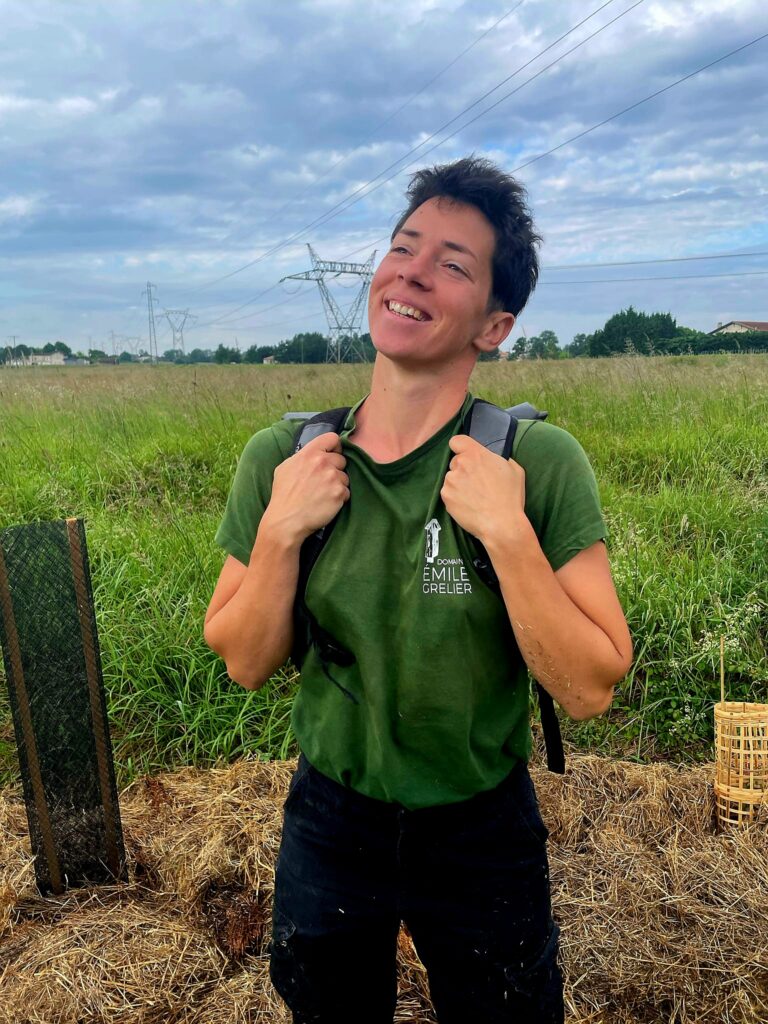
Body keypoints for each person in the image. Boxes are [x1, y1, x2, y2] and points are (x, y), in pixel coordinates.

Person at [204, 155, 633, 1023]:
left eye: (453, 264)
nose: (412, 272)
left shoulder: (534, 464)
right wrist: (283, 529)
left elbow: (589, 686)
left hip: (480, 828)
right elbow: (245, 661)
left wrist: (506, 532)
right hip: (330, 817)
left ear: (495, 325)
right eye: (404, 247)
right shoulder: (283, 461)